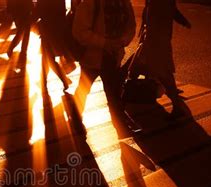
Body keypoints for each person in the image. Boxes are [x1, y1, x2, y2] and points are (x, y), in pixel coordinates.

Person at [72, 0, 136, 136]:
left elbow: (131, 26)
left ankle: (120, 127)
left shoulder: (124, 3)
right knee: (83, 90)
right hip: (92, 59)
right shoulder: (90, 3)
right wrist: (105, 43)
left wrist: (121, 42)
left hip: (113, 58)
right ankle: (76, 122)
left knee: (113, 94)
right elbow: (79, 32)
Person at [133, 0, 191, 117]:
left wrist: (149, 38)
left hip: (156, 39)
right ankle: (135, 94)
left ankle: (177, 105)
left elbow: (160, 14)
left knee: (162, 73)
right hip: (155, 37)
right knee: (148, 68)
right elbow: (169, 10)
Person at [36, 0, 72, 92]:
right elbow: (62, 13)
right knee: (46, 58)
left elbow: (38, 11)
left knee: (48, 59)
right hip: (56, 30)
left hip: (47, 30)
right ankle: (44, 82)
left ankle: (62, 81)